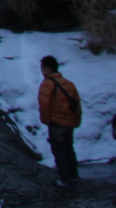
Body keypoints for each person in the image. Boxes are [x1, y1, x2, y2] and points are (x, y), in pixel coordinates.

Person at [38, 55, 82, 186]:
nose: (41, 71)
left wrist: (46, 121)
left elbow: (44, 105)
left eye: (42, 68)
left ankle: (65, 179)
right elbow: (77, 105)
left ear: (46, 68)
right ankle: (74, 176)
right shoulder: (69, 84)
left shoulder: (47, 84)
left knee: (59, 151)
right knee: (69, 149)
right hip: (70, 124)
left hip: (56, 124)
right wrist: (76, 121)